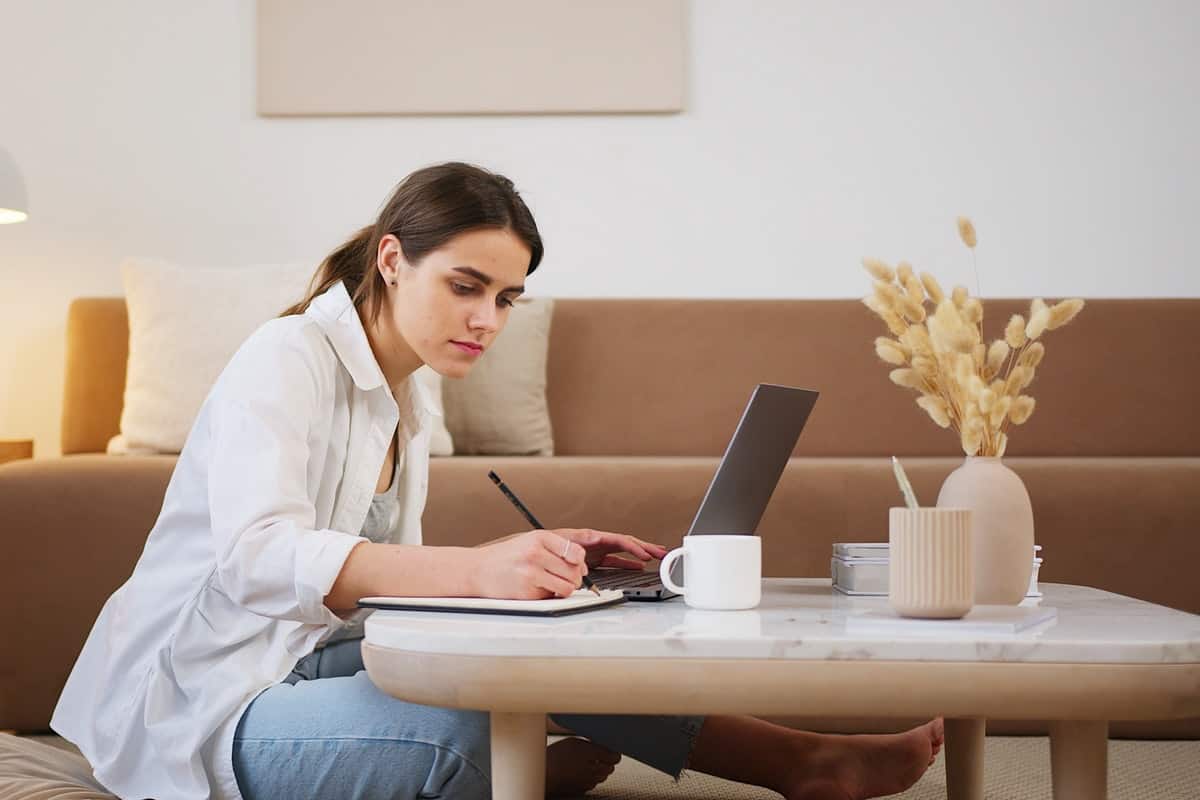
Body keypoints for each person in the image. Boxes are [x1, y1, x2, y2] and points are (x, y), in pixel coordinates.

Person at [52, 162, 944, 800]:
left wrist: (535, 569)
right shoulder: (286, 357)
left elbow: (373, 585)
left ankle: (801, 762)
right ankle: (519, 777)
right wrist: (480, 571)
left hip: (298, 658)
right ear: (394, 260)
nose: (488, 320)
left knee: (546, 647)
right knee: (472, 731)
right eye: (467, 286)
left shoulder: (409, 392)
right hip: (201, 702)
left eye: (507, 298)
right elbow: (258, 559)